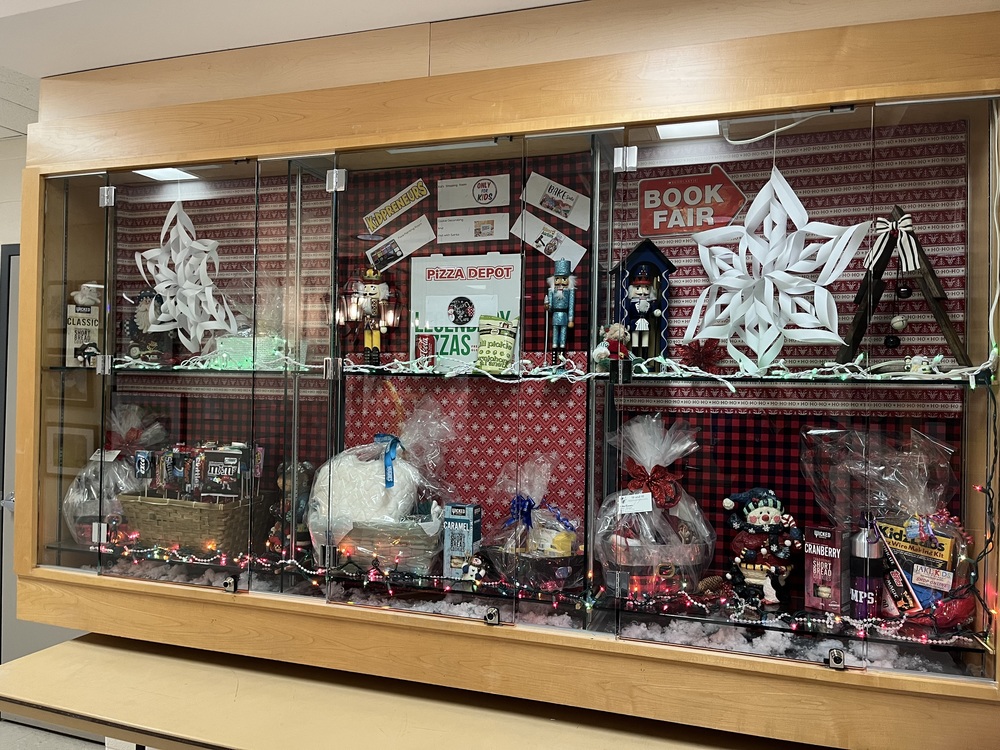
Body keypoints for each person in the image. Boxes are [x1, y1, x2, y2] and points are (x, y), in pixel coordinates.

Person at [623, 263, 660, 354]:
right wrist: (627, 323)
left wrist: (655, 311)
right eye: (638, 288)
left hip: (646, 322)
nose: (643, 291)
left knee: (645, 340)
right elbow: (627, 313)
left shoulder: (650, 302)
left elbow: (653, 309)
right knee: (635, 340)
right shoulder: (631, 302)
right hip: (634, 322)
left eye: (646, 288)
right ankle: (636, 358)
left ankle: (645, 359)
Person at [544, 258, 575, 364]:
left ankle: (561, 362)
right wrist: (547, 306)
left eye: (564, 279)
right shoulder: (552, 291)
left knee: (563, 337)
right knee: (555, 337)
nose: (561, 282)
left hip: (565, 315)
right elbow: (551, 306)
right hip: (556, 315)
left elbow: (571, 306)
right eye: (558, 279)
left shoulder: (569, 291)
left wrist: (571, 319)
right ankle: (553, 361)